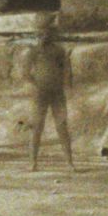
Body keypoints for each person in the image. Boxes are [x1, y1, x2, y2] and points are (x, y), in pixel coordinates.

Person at [25, 13, 74, 171]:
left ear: (53, 33)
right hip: (40, 93)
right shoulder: (33, 51)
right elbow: (25, 73)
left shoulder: (59, 51)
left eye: (47, 32)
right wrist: (36, 84)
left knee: (62, 126)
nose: (44, 35)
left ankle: (69, 162)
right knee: (37, 127)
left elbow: (67, 70)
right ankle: (33, 162)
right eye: (40, 32)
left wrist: (66, 84)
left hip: (57, 93)